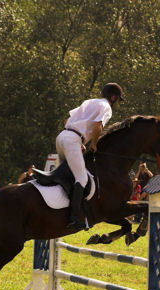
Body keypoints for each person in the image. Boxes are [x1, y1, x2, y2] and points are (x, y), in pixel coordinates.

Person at [56, 82, 123, 230]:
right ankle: (74, 219)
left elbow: (67, 120)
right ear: (112, 97)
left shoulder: (90, 101)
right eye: (117, 99)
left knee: (66, 176)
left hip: (62, 137)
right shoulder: (106, 108)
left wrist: (78, 139)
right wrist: (93, 144)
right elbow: (98, 126)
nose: (117, 103)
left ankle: (59, 210)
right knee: (82, 178)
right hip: (71, 140)